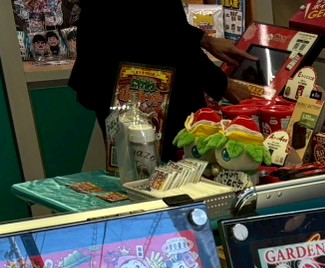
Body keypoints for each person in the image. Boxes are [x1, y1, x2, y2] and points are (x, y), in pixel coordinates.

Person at [70, 0, 254, 160]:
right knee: (156, 170)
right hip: (139, 80)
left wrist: (204, 40)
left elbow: (155, 18)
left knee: (133, 167)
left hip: (116, 74)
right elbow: (161, 30)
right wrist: (223, 84)